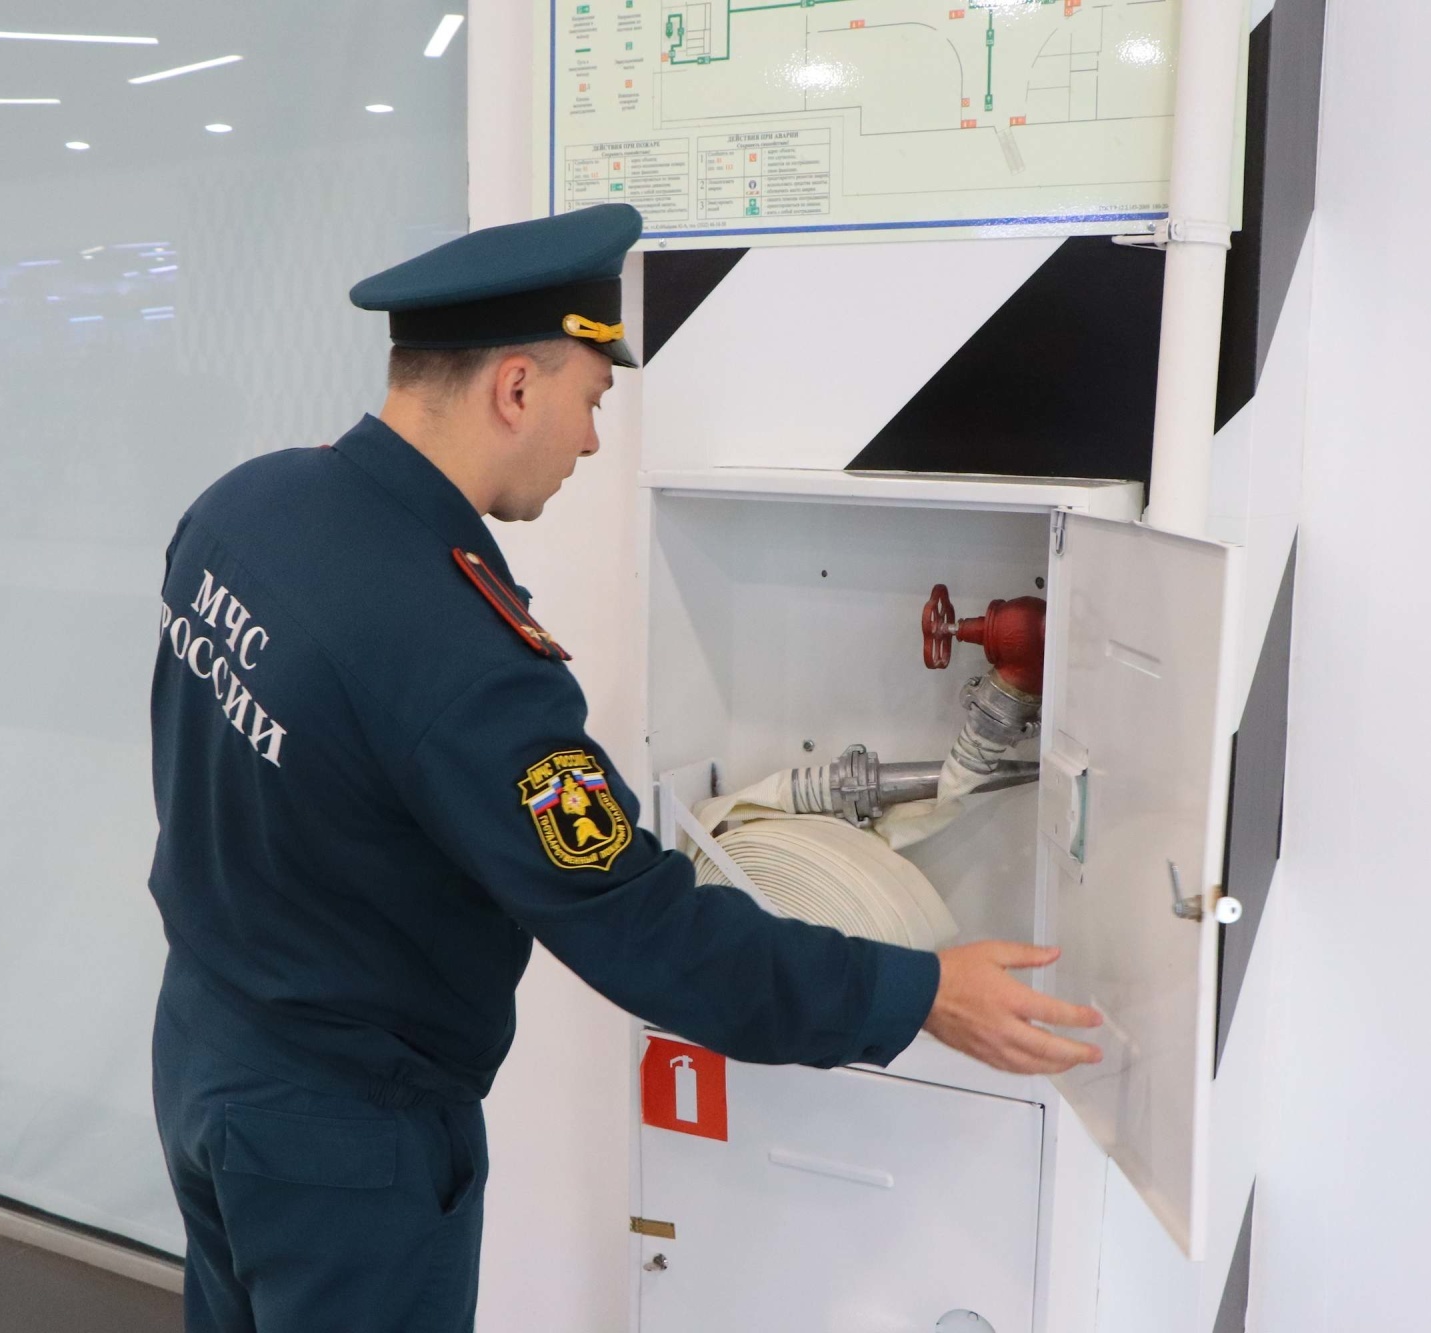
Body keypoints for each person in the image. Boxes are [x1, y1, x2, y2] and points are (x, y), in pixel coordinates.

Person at [144, 202, 1102, 1333]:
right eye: (592, 399)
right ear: (515, 388)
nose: (594, 442)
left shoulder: (247, 505)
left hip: (202, 1047)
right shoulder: (464, 660)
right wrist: (921, 991)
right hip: (341, 1139)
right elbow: (651, 934)